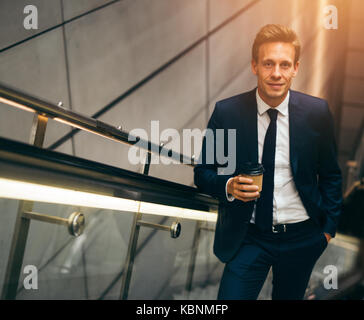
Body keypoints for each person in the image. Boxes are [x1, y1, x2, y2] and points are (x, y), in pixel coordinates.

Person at [194, 24, 343, 300]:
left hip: (303, 237)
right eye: (268, 64)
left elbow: (331, 175)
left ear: (296, 68)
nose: (277, 73)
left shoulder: (317, 112)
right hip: (249, 237)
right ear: (254, 66)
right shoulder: (228, 113)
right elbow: (203, 173)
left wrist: (327, 231)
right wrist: (228, 185)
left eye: (285, 65)